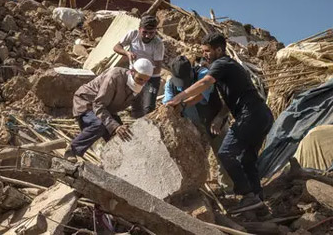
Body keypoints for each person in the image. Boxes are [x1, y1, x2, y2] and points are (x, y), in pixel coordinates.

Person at [166, 33, 274, 213]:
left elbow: (205, 83)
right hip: (262, 115)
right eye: (203, 51)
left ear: (219, 50)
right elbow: (226, 99)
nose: (205, 54)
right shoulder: (229, 67)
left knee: (225, 153)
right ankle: (258, 201)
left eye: (208, 51)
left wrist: (179, 98)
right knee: (248, 160)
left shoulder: (221, 64)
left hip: (251, 115)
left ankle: (247, 195)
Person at [163, 55, 232, 188]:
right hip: (193, 127)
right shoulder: (170, 84)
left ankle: (229, 189)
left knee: (224, 155)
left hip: (214, 121)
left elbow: (201, 94)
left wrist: (181, 103)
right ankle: (200, 187)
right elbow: (168, 104)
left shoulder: (203, 74)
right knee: (195, 160)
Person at [64, 58, 154, 161]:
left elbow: (138, 111)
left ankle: (116, 164)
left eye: (146, 80)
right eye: (140, 79)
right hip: (88, 103)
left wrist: (145, 124)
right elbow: (98, 105)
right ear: (132, 71)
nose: (142, 83)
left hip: (107, 109)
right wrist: (115, 126)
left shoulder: (140, 87)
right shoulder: (115, 76)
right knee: (100, 125)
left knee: (123, 135)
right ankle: (72, 150)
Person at [113, 15, 164, 117]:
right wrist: (127, 53)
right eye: (144, 32)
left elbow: (158, 68)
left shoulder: (158, 44)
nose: (147, 36)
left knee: (148, 107)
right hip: (134, 75)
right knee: (135, 104)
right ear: (139, 29)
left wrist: (143, 76)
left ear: (155, 32)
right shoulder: (133, 34)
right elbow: (116, 47)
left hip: (151, 77)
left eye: (151, 33)